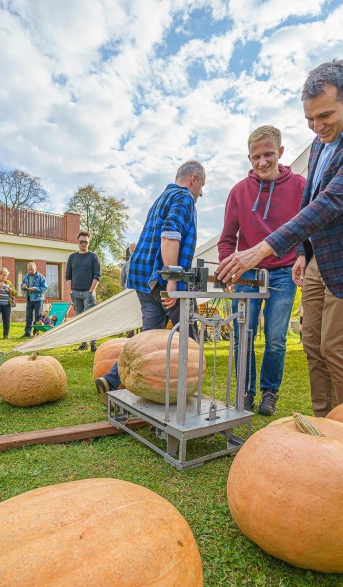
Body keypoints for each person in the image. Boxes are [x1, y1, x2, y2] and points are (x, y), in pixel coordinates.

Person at [216, 59, 343, 417]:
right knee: (313, 344)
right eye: (310, 120)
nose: (317, 127)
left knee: (336, 348)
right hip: (318, 260)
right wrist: (304, 251)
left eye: (325, 116)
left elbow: (332, 203)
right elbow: (313, 199)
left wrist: (262, 250)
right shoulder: (321, 141)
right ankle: (325, 424)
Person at [95, 160, 205, 403]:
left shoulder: (160, 199)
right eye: (201, 186)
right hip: (163, 280)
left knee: (147, 339)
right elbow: (170, 235)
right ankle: (193, 385)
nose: (201, 193)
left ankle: (112, 379)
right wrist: (172, 284)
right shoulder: (184, 197)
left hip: (143, 279)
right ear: (193, 179)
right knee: (188, 335)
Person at [219, 125, 306, 415]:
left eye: (268, 154)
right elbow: (227, 239)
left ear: (280, 152)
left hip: (283, 272)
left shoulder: (300, 186)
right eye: (255, 157)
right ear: (249, 158)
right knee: (243, 335)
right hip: (246, 275)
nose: (262, 162)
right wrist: (227, 272)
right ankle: (245, 392)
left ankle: (270, 393)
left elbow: (309, 231)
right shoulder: (238, 192)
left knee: (276, 337)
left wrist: (303, 256)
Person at [66, 230, 102, 352]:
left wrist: (91, 291)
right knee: (79, 319)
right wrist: (71, 291)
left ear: (89, 242)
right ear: (77, 242)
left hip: (88, 293)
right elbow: (68, 276)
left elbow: (97, 276)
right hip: (75, 292)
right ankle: (83, 344)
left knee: (91, 319)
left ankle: (93, 344)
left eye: (85, 242)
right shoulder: (72, 257)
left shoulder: (93, 257)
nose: (83, 244)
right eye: (81, 242)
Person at [20, 262, 47, 338]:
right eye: (28, 269)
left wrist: (35, 288)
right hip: (29, 299)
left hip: (38, 299)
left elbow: (45, 288)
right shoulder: (26, 276)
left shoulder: (41, 277)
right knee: (28, 316)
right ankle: (27, 332)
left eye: (32, 269)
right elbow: (22, 287)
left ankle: (35, 333)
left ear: (35, 268)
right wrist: (23, 286)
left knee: (37, 317)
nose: (30, 271)